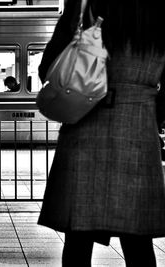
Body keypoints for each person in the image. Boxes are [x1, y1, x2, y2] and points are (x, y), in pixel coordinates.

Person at [37, 0, 165, 266]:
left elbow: (48, 68)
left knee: (78, 239)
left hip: (84, 125)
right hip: (139, 126)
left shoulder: (84, 5)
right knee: (138, 241)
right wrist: (150, 111)